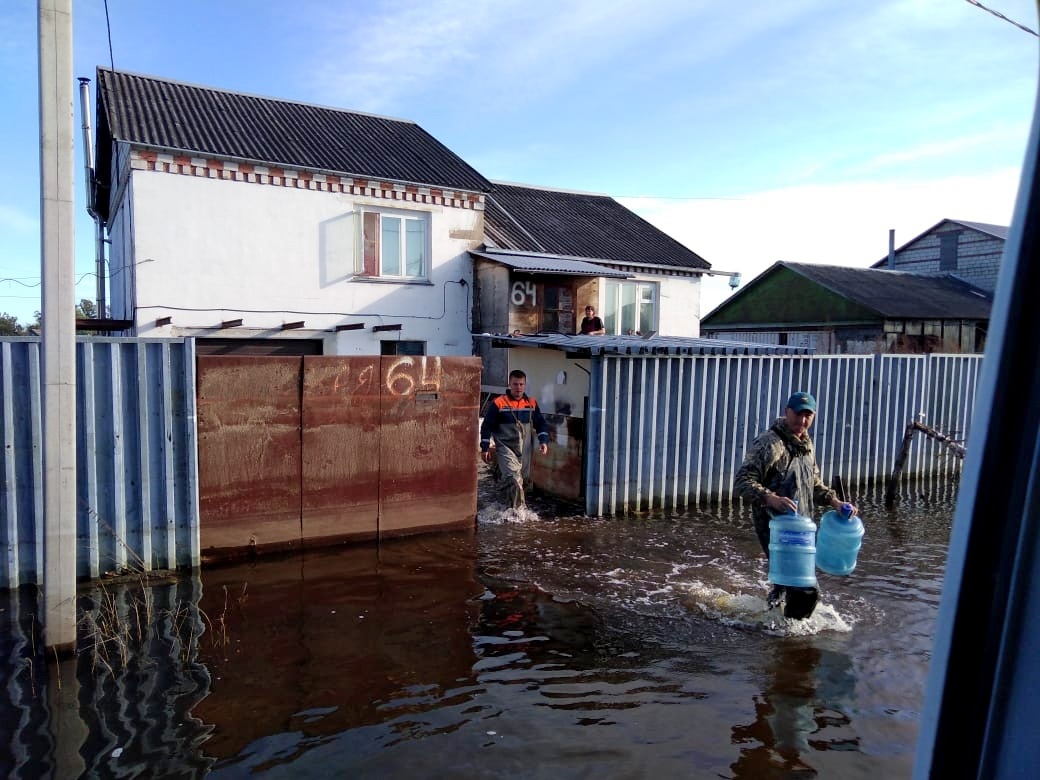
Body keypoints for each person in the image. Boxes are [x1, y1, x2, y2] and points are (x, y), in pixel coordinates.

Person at [734, 391, 857, 618]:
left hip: (801, 528)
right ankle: (790, 638)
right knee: (807, 592)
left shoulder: (806, 445)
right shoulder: (771, 443)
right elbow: (742, 481)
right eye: (798, 414)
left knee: (787, 586)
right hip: (776, 528)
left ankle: (770, 624)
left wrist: (835, 501)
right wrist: (770, 498)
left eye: (807, 415)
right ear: (786, 412)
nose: (802, 421)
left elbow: (814, 484)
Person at [480, 370, 550, 508]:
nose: (518, 387)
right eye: (515, 384)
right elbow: (487, 425)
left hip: (525, 450)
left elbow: (541, 423)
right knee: (514, 479)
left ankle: (506, 504)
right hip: (505, 448)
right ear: (509, 384)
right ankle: (517, 513)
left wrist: (543, 442)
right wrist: (485, 447)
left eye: (521, 384)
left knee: (521, 479)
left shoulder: (531, 403)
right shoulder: (498, 403)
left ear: (525, 385)